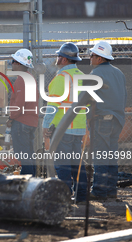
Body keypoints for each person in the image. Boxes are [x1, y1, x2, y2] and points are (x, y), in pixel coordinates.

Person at [42, 42, 88, 203]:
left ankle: (64, 198)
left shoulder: (61, 78)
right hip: (79, 129)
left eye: (58, 55)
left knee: (62, 165)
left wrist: (46, 125)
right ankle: (81, 197)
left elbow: (52, 106)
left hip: (63, 129)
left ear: (64, 59)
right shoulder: (82, 76)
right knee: (77, 164)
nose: (57, 58)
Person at [88, 41, 127, 200]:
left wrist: (89, 119)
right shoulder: (119, 73)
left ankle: (99, 191)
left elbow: (90, 100)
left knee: (101, 157)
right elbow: (124, 97)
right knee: (111, 156)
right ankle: (111, 191)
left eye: (92, 55)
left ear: (99, 58)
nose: (89, 57)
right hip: (117, 120)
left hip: (101, 120)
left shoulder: (95, 74)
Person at [6, 49, 39, 176]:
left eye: (13, 61)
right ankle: (34, 181)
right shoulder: (30, 78)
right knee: (29, 154)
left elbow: (19, 103)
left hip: (21, 122)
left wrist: (11, 118)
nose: (12, 63)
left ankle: (28, 183)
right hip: (31, 122)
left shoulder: (21, 80)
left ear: (19, 63)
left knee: (24, 156)